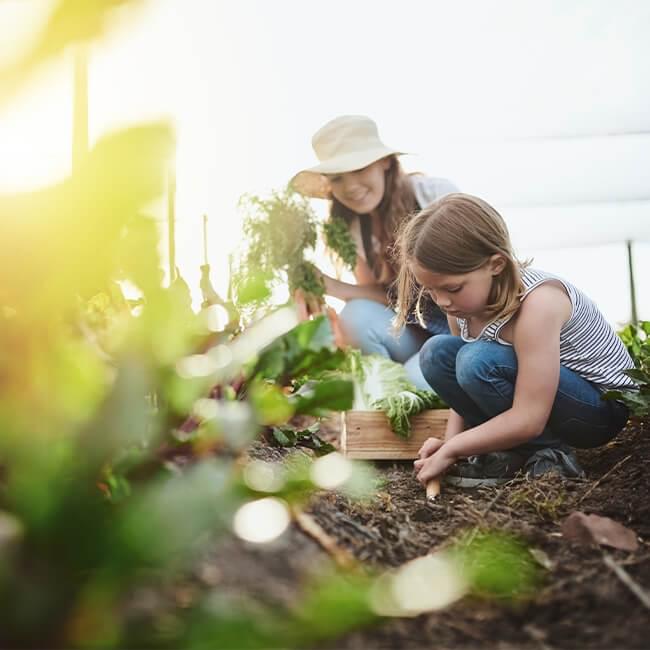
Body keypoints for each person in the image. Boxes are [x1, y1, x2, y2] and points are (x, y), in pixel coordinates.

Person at [391, 193, 634, 485]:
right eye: (431, 291)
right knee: (437, 353)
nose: (442, 301)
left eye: (453, 288)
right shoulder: (461, 307)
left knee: (476, 360)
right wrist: (450, 444)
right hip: (542, 402)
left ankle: (550, 453)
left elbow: (529, 417)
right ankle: (512, 452)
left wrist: (455, 447)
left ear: (496, 264)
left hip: (597, 410)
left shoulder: (539, 304)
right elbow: (461, 395)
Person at [291, 115, 458, 389]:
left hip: (465, 333)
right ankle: (384, 393)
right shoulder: (354, 227)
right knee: (356, 315)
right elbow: (380, 297)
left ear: (385, 162)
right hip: (417, 334)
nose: (351, 187)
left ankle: (406, 389)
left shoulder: (434, 196)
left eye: (359, 169)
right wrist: (330, 287)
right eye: (338, 178)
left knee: (416, 379)